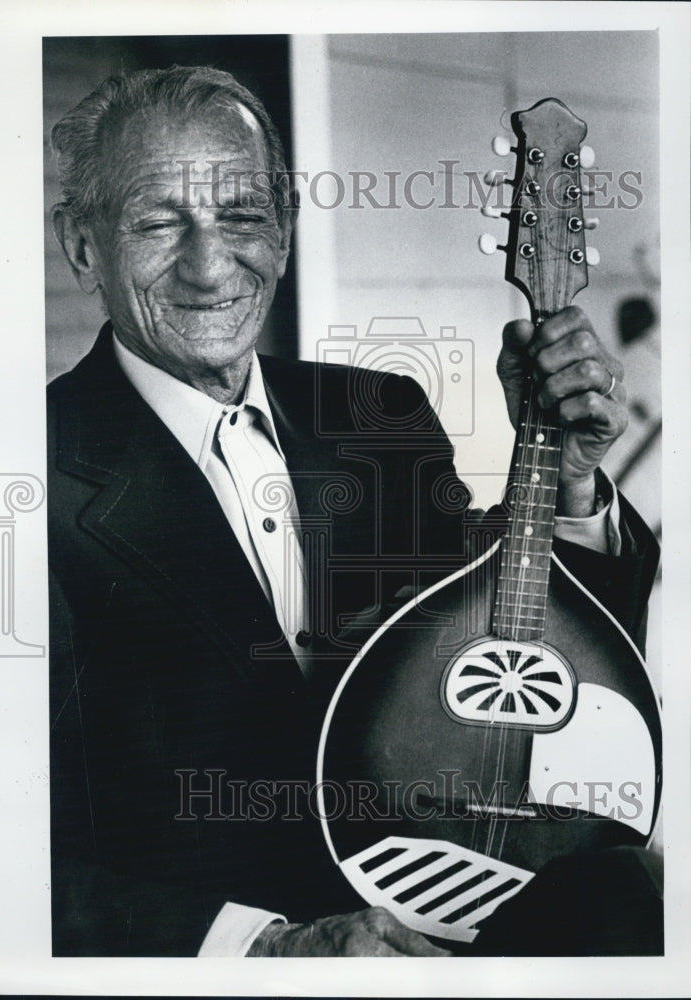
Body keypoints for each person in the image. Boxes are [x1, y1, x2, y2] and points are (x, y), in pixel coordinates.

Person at [47, 65, 660, 957]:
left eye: (244, 216)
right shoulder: (17, 476)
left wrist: (566, 488)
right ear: (82, 246)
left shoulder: (380, 416)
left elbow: (520, 656)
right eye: (155, 221)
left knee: (634, 897)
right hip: (216, 969)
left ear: (287, 230)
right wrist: (267, 949)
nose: (210, 265)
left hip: (463, 926)